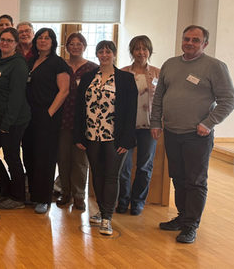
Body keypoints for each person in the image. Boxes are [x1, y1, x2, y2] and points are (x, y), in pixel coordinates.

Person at [151, 25, 234, 244]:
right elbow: (159, 97)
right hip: (172, 132)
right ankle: (182, 217)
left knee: (195, 181)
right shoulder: (170, 64)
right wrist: (155, 122)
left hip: (197, 136)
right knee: (178, 177)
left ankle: (191, 226)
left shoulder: (215, 67)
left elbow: (228, 100)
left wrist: (209, 123)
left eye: (195, 40)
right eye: (186, 39)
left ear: (204, 44)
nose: (189, 43)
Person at [73, 40, 137, 236]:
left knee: (111, 176)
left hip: (114, 137)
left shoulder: (125, 79)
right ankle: (101, 211)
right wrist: (79, 135)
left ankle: (107, 218)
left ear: (114, 54)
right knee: (97, 175)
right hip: (92, 135)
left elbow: (130, 112)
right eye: (100, 51)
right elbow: (79, 108)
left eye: (108, 52)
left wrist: (127, 140)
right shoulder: (88, 77)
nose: (104, 55)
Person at [24, 28, 71, 214]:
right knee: (29, 155)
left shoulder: (58, 63)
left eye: (47, 38)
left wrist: (49, 113)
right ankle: (34, 195)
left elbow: (64, 91)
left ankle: (44, 198)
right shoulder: (31, 61)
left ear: (53, 42)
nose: (43, 41)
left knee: (45, 157)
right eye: (40, 38)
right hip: (28, 116)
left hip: (47, 117)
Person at [0, 27, 30, 210]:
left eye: (9, 40)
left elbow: (17, 96)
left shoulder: (19, 64)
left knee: (12, 157)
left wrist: (7, 123)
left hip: (14, 119)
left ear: (16, 44)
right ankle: (5, 189)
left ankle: (18, 197)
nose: (5, 43)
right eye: (2, 39)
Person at [118, 35, 161, 215]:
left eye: (144, 49)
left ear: (149, 51)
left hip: (149, 127)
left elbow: (161, 101)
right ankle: (123, 200)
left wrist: (159, 123)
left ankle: (138, 202)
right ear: (132, 51)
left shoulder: (158, 73)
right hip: (127, 127)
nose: (141, 52)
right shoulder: (123, 72)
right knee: (124, 167)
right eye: (137, 49)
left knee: (144, 166)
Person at [56, 32, 97, 211]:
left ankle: (79, 195)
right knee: (63, 158)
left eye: (79, 44)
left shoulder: (93, 68)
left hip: (83, 121)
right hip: (62, 119)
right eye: (71, 44)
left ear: (84, 46)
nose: (75, 47)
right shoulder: (59, 66)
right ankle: (65, 192)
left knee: (80, 161)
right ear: (66, 47)